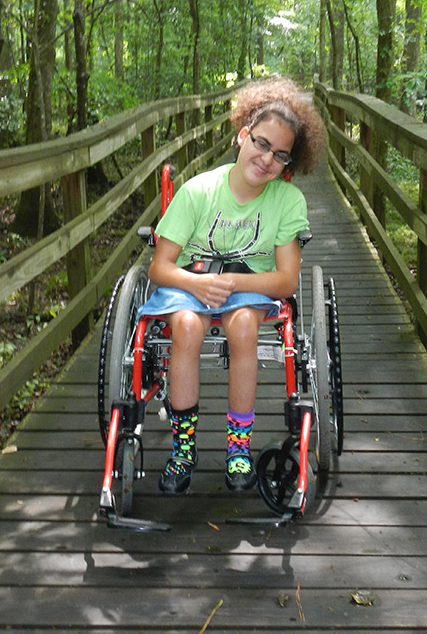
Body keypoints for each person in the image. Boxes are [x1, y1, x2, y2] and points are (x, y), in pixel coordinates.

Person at [137, 76, 326, 495]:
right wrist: (198, 284)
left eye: (280, 155)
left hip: (250, 282)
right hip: (190, 279)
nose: (266, 159)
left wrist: (233, 281)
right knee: (185, 327)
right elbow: (159, 267)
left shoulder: (286, 201)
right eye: (261, 144)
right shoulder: (198, 191)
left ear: (288, 164)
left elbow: (286, 279)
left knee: (243, 327)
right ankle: (183, 449)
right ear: (243, 135)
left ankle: (238, 449)